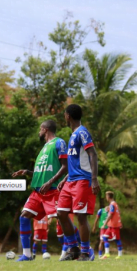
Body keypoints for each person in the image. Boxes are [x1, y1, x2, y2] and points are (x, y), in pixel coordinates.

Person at [12, 119, 68, 261]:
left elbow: (66, 166)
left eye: (40, 129)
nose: (39, 132)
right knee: (24, 216)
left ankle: (82, 247)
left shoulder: (59, 142)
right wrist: (27, 172)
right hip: (38, 192)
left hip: (53, 190)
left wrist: (50, 182)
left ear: (45, 129)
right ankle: (27, 254)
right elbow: (42, 173)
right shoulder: (44, 148)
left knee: (62, 219)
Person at [57, 104, 100, 261]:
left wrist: (94, 179)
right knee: (60, 213)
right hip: (71, 181)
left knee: (81, 217)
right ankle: (74, 248)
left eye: (64, 114)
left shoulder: (82, 132)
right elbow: (75, 162)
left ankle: (86, 252)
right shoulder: (74, 134)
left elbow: (93, 154)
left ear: (68, 116)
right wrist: (65, 178)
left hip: (83, 181)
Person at [101, 191, 122, 259]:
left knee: (117, 239)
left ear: (108, 197)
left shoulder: (112, 204)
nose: (106, 197)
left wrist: (104, 224)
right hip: (111, 225)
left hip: (114, 225)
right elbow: (118, 212)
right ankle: (107, 253)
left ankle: (120, 255)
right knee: (104, 237)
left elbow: (110, 215)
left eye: (106, 196)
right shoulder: (114, 204)